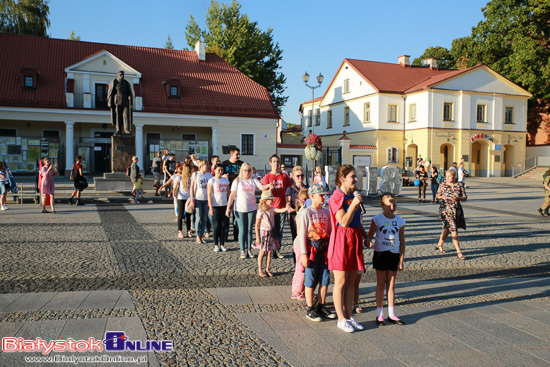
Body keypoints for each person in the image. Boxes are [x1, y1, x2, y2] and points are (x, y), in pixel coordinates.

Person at [328, 164, 370, 333]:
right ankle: (340, 318)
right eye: (352, 176)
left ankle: (349, 315)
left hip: (354, 239)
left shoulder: (352, 196)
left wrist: (366, 236)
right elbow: (343, 221)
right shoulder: (336, 198)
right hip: (341, 241)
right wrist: (353, 204)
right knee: (341, 282)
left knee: (352, 281)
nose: (355, 180)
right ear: (342, 178)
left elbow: (356, 222)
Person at [299, 183, 336, 322]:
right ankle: (310, 308)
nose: (324, 197)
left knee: (325, 279)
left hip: (324, 250)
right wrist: (303, 254)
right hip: (311, 250)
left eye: (325, 195)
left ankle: (321, 305)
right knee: (311, 279)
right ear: (312, 196)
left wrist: (332, 251)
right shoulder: (307, 212)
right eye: (321, 195)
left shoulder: (326, 212)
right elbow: (302, 234)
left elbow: (331, 232)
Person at [368, 193, 406, 326]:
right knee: (380, 283)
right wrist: (368, 242)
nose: (392, 207)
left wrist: (401, 260)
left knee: (391, 284)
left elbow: (402, 240)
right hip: (380, 253)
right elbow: (370, 235)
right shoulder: (377, 219)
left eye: (394, 204)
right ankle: (379, 313)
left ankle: (391, 313)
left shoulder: (400, 221)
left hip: (394, 254)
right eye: (389, 204)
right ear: (382, 206)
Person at [226, 162, 273, 259]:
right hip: (239, 208)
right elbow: (232, 195)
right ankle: (242, 250)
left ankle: (249, 250)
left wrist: (268, 185)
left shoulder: (253, 180)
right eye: (245, 170)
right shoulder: (237, 180)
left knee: (249, 230)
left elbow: (261, 187)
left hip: (251, 208)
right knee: (242, 230)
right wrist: (228, 208)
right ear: (241, 171)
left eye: (249, 170)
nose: (247, 172)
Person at [262, 155, 292, 259]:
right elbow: (264, 194)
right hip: (271, 208)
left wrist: (288, 202)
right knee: (271, 230)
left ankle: (277, 250)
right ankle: (269, 249)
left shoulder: (284, 176)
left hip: (282, 207)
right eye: (274, 161)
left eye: (277, 161)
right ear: (270, 163)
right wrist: (269, 188)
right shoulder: (267, 177)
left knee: (280, 230)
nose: (276, 163)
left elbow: (289, 190)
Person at [255, 190, 289, 277]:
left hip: (271, 233)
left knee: (269, 252)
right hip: (264, 233)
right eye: (271, 199)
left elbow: (281, 210)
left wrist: (287, 208)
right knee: (262, 252)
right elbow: (256, 225)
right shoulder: (261, 211)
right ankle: (260, 269)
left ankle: (267, 269)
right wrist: (257, 237)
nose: (273, 201)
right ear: (266, 200)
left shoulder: (272, 209)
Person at [435, 169, 467, 260]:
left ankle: (439, 244)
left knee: (447, 228)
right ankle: (459, 252)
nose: (447, 178)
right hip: (445, 210)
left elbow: (465, 197)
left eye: (449, 176)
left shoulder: (459, 185)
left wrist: (458, 198)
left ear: (454, 176)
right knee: (454, 230)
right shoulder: (443, 185)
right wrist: (442, 197)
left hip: (456, 210)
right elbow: (437, 196)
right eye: (446, 176)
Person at [286, 166, 308, 261]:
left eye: (302, 175)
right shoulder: (290, 189)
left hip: (307, 216)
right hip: (295, 216)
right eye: (298, 176)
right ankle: (297, 263)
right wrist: (288, 207)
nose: (300, 178)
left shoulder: (308, 188)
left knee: (307, 238)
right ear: (293, 177)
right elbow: (288, 202)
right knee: (296, 239)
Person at [222, 147, 244, 241]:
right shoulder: (224, 164)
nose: (238, 156)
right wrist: (223, 176)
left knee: (237, 215)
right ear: (231, 155)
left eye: (239, 154)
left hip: (238, 192)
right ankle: (225, 235)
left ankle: (236, 235)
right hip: (227, 192)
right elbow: (218, 173)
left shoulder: (241, 164)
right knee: (227, 214)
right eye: (236, 154)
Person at [291, 189, 309, 300]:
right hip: (300, 243)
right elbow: (299, 231)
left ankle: (300, 289)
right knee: (300, 268)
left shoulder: (302, 210)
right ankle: (297, 291)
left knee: (301, 268)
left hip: (302, 243)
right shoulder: (303, 211)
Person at [189, 161, 213, 244]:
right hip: (198, 198)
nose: (208, 166)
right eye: (206, 165)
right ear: (201, 166)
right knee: (198, 218)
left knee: (204, 218)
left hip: (206, 199)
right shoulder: (195, 174)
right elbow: (192, 187)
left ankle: (202, 235)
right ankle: (197, 236)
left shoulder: (209, 175)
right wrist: (192, 199)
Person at [208, 163, 229, 252]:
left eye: (221, 170)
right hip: (216, 205)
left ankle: (222, 244)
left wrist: (229, 206)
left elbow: (228, 193)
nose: (220, 172)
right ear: (215, 171)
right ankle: (216, 244)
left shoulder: (225, 180)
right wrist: (211, 207)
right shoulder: (212, 180)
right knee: (216, 226)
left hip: (224, 205)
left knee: (223, 226)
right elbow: (209, 194)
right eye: (218, 170)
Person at [107, 70, 133, 135]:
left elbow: (130, 92)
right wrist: (110, 101)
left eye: (123, 75)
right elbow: (111, 93)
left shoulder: (126, 83)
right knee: (118, 115)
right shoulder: (114, 82)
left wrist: (130, 97)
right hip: (117, 100)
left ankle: (126, 129)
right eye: (121, 75)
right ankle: (118, 129)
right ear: (118, 75)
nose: (122, 76)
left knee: (126, 115)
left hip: (125, 100)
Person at [173, 165, 193, 238]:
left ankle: (188, 231)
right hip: (181, 198)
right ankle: (180, 231)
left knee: (188, 216)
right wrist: (174, 194)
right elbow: (175, 187)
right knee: (180, 215)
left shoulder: (191, 178)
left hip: (188, 198)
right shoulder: (180, 177)